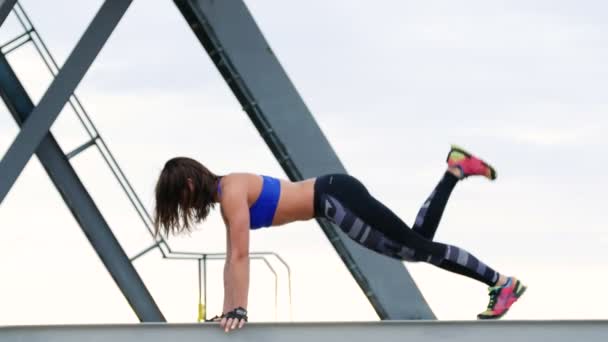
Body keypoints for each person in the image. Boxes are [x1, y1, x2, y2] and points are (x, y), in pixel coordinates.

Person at [153, 145, 526, 331]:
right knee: (417, 243)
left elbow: (239, 256)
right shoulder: (228, 197)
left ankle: (501, 282)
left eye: (179, 199)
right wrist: (228, 310)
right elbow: (232, 259)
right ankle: (455, 170)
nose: (184, 206)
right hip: (332, 199)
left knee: (418, 249)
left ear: (188, 183)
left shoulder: (231, 190)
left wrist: (238, 310)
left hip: (334, 198)